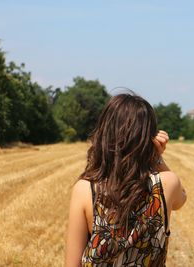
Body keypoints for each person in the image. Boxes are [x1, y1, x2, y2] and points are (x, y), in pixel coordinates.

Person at [65, 93, 187, 267]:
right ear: (150, 138)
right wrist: (157, 158)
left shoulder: (86, 190)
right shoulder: (167, 184)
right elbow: (182, 199)